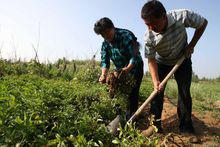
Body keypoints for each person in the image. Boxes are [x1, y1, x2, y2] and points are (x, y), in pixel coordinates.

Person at [141, 0, 208, 134]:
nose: (150, 28)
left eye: (153, 24)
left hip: (182, 59)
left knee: (184, 92)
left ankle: (185, 127)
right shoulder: (149, 37)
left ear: (164, 17)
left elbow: (202, 23)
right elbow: (151, 59)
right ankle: (155, 126)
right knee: (157, 93)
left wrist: (191, 45)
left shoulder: (182, 16)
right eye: (147, 25)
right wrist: (155, 81)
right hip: (161, 62)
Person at [94, 17, 143, 120]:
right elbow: (105, 61)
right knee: (115, 92)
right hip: (121, 70)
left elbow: (135, 56)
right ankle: (119, 118)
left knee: (132, 94)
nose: (106, 37)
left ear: (112, 28)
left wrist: (127, 69)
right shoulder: (105, 43)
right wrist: (103, 75)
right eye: (103, 35)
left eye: (107, 33)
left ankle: (132, 121)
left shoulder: (127, 35)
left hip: (135, 67)